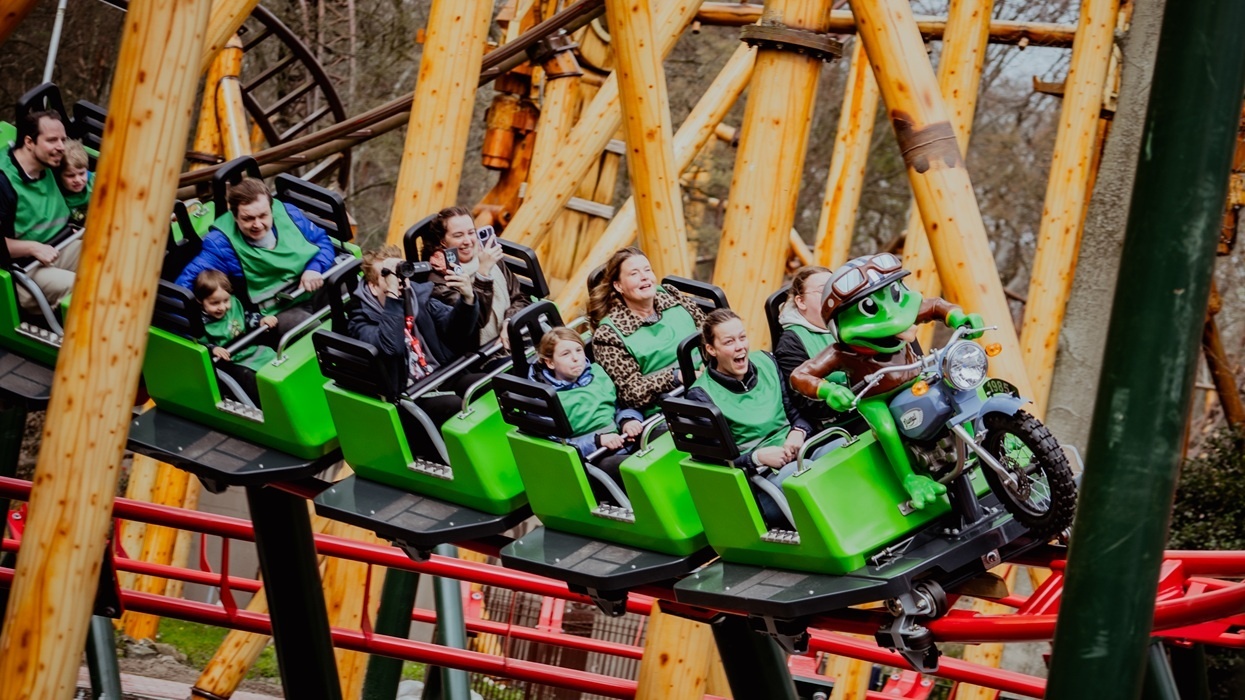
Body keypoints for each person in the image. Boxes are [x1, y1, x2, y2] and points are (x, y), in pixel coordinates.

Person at [685, 309, 812, 527]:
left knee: (840, 448)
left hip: (798, 451)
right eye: (729, 342)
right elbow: (715, 465)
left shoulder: (766, 362)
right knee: (805, 472)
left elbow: (797, 413)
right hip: (759, 479)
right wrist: (757, 458)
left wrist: (798, 431)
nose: (740, 347)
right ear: (711, 349)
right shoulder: (701, 396)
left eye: (742, 337)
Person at [175, 177, 336, 337]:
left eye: (263, 216)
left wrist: (315, 268)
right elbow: (186, 283)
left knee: (344, 290)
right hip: (279, 311)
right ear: (235, 216)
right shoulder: (222, 245)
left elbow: (322, 241)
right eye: (248, 218)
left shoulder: (289, 214)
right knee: (313, 332)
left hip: (314, 287)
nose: (257, 224)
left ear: (271, 209)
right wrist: (189, 331)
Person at [347, 244, 481, 429]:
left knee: (484, 385)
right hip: (408, 395)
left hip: (441, 375)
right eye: (388, 276)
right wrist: (393, 296)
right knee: (454, 406)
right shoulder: (361, 320)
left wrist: (468, 299)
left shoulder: (419, 297)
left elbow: (456, 331)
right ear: (373, 287)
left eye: (401, 273)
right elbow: (391, 348)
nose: (399, 281)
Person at [588, 247, 707, 413]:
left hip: (709, 379)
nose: (644, 277)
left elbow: (709, 331)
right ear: (618, 286)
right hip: (671, 406)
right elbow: (629, 394)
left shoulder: (671, 295)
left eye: (647, 270)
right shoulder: (609, 335)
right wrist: (676, 376)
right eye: (634, 273)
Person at [532, 327, 644, 498]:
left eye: (578, 350)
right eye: (566, 354)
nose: (576, 358)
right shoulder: (544, 398)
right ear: (550, 363)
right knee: (631, 467)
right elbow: (556, 448)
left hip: (624, 441)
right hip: (592, 460)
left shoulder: (597, 373)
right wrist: (597, 441)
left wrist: (627, 420)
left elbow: (620, 406)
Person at [0, 110, 80, 314]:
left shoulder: (53, 162)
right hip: (25, 268)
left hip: (62, 245)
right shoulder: (4, 183)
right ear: (29, 142)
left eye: (63, 140)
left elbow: (87, 182)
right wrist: (32, 248)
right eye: (52, 140)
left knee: (113, 256)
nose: (61, 147)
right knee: (80, 286)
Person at [423, 205, 530, 348]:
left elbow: (520, 297)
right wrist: (482, 275)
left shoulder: (487, 255)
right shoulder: (441, 280)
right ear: (443, 241)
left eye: (471, 232)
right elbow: (476, 323)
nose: (468, 241)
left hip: (517, 334)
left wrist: (509, 323)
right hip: (487, 353)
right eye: (458, 235)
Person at [193, 269, 278, 404]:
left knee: (277, 361)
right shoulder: (199, 322)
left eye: (226, 300)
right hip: (230, 361)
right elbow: (199, 344)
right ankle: (269, 404)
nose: (222, 307)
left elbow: (246, 317)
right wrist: (213, 349)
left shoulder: (233, 304)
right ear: (200, 300)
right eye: (215, 303)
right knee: (250, 378)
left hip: (249, 348)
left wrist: (261, 320)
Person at [773, 265, 841, 428]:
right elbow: (806, 402)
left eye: (834, 289)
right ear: (801, 302)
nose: (831, 296)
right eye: (823, 291)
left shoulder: (852, 322)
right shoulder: (790, 343)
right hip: (840, 421)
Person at [58, 139, 92, 226]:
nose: (78, 180)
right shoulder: (58, 196)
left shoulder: (95, 181)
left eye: (82, 173)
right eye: (70, 175)